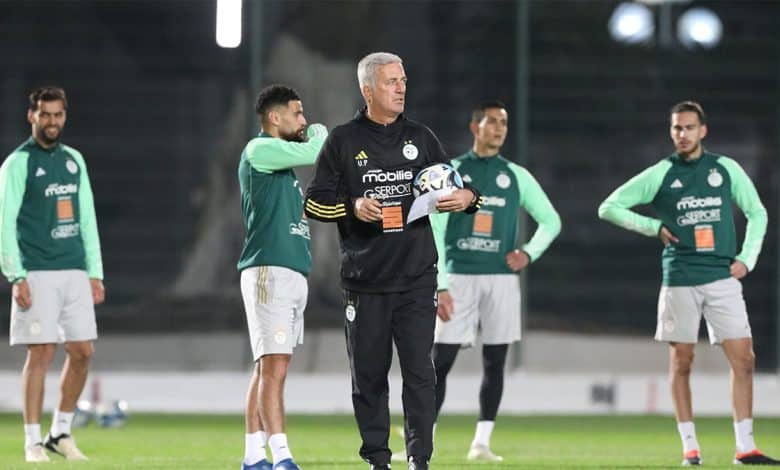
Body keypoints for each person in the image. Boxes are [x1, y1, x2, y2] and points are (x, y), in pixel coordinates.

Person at [304, 52, 480, 470]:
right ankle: (378, 461)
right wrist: (352, 207)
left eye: (403, 80)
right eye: (391, 82)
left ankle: (420, 459)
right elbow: (314, 203)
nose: (401, 88)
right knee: (369, 379)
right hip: (365, 281)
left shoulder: (421, 137)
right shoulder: (343, 141)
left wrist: (469, 198)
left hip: (417, 277)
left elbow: (457, 185)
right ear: (368, 91)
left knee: (421, 375)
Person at [598, 101, 779, 466]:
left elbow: (757, 211)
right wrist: (652, 227)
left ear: (703, 131)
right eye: (677, 128)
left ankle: (745, 447)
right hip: (679, 277)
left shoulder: (724, 169)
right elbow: (609, 207)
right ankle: (690, 448)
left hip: (721, 277)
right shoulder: (661, 173)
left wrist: (747, 258)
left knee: (744, 360)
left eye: (689, 128)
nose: (683, 134)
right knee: (682, 360)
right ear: (671, 131)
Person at [430, 100, 561, 462]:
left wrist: (528, 253)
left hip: (502, 280)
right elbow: (435, 227)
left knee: (495, 360)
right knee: (439, 362)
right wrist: (439, 283)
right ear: (475, 128)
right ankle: (422, 438)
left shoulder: (515, 175)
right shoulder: (452, 171)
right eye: (491, 122)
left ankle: (481, 443)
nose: (499, 128)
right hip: (458, 277)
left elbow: (551, 220)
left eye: (503, 122)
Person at [0, 86, 105, 463]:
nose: (52, 122)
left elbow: (87, 217)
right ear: (32, 116)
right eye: (45, 114)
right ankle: (31, 440)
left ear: (65, 116)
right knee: (41, 352)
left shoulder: (75, 160)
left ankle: (59, 432)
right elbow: (4, 222)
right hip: (37, 271)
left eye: (58, 115)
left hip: (74, 270)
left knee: (82, 352)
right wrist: (16, 275)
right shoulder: (18, 163)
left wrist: (94, 272)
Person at [237, 84, 328, 470]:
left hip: (290, 273)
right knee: (272, 365)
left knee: (270, 367)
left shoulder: (281, 164)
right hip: (268, 270)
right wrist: (321, 130)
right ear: (275, 118)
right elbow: (315, 149)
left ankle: (254, 455)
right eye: (298, 113)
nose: (304, 120)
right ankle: (282, 455)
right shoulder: (259, 150)